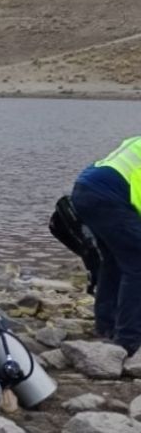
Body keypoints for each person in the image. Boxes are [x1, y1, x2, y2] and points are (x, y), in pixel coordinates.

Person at [71, 136, 141, 356]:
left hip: (85, 190)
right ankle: (129, 339)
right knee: (137, 264)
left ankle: (105, 326)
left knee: (114, 261)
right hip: (109, 198)